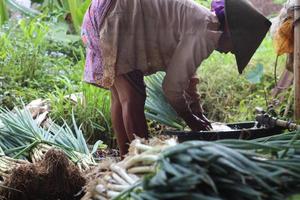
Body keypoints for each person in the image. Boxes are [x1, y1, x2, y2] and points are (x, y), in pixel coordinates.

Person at [81, 0, 271, 157]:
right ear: (232, 33)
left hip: (107, 12)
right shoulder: (205, 32)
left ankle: (125, 159)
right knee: (132, 98)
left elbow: (187, 77)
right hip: (119, 17)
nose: (230, 52)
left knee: (120, 98)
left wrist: (198, 113)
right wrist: (190, 118)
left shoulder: (203, 22)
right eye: (235, 47)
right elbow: (171, 88)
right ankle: (141, 160)